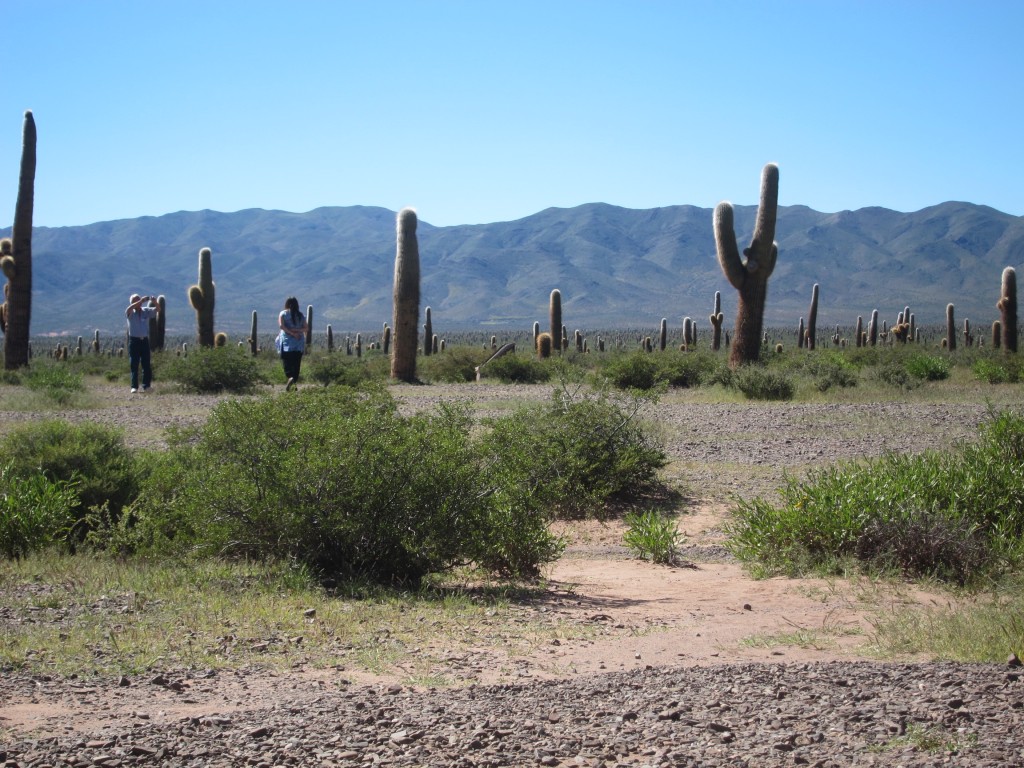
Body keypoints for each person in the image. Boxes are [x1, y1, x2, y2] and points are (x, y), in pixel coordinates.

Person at [125, 293, 158, 393]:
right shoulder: (130, 312)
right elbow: (130, 308)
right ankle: (134, 386)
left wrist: (155, 302)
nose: (139, 303)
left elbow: (158, 310)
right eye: (135, 301)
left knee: (146, 364)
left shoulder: (145, 311)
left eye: (139, 300)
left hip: (144, 341)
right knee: (134, 364)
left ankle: (146, 386)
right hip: (134, 341)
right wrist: (141, 301)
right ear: (132, 303)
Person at [277, 296, 306, 390]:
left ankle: (290, 377)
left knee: (287, 362)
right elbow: (306, 328)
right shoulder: (301, 315)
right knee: (296, 363)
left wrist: (292, 333)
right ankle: (294, 382)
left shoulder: (283, 313)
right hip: (299, 343)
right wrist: (297, 331)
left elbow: (281, 326)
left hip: (287, 343)